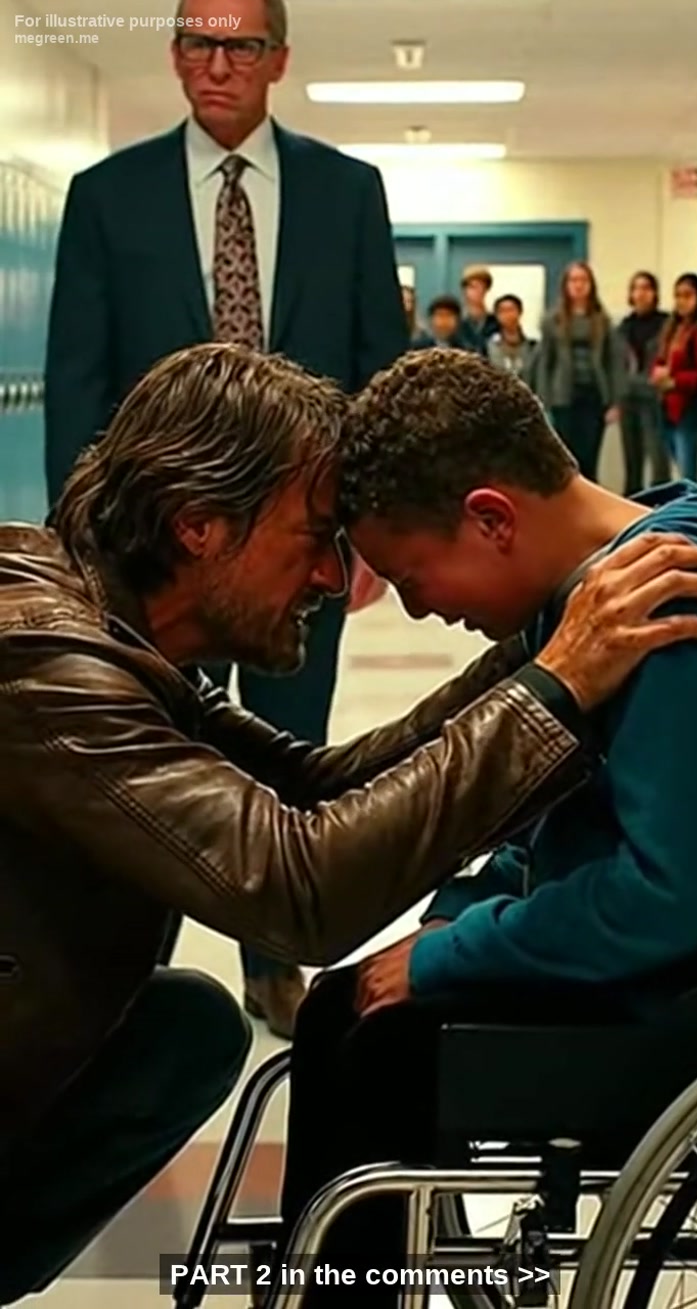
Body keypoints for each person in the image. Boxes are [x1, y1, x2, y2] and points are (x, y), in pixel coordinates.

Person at [0, 342, 697, 1304]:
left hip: (667, 993)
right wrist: (551, 680)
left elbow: (315, 785)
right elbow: (298, 886)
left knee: (221, 1027)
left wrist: (542, 664)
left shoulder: (113, 635)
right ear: (200, 524)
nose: (336, 580)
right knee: (317, 1020)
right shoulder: (51, 667)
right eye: (314, 537)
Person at [274, 347, 697, 1305]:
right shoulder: (593, 591)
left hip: (684, 999)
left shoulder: (666, 603)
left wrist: (451, 955)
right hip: (639, 961)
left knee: (378, 1048)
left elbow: (672, 895)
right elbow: (548, 821)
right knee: (342, 1005)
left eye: (412, 575)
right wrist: (456, 916)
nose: (420, 608)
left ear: (491, 517)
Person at [43, 0, 408, 1035]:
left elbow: (378, 369)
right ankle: (126, 964)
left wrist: (369, 532)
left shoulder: (347, 192)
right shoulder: (108, 197)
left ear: (277, 60)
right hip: (158, 545)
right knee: (143, 753)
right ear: (174, 55)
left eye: (240, 45)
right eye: (198, 43)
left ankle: (274, 960)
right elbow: (76, 377)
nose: (218, 64)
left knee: (291, 740)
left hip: (302, 536)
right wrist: (82, 548)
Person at [534, 260, 627, 482]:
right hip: (563, 397)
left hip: (594, 396)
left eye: (583, 280)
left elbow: (614, 362)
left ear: (591, 285)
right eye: (573, 280)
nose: (578, 285)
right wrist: (543, 401)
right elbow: (545, 363)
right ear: (566, 285)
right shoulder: (552, 320)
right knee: (566, 458)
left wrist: (615, 402)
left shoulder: (602, 320)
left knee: (590, 457)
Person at [618, 271, 670, 495]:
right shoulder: (623, 327)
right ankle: (632, 503)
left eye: (646, 288)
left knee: (658, 457)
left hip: (654, 397)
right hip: (628, 396)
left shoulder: (666, 324)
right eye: (636, 288)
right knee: (632, 459)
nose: (641, 293)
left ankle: (663, 503)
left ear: (654, 293)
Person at [651, 273, 697, 482]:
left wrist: (675, 381)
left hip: (688, 408)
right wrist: (657, 372)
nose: (682, 301)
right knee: (679, 467)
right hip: (668, 408)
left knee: (688, 472)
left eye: (688, 295)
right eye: (678, 296)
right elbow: (660, 358)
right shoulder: (673, 328)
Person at [485, 293, 537, 383]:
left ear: (520, 312)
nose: (507, 315)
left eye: (511, 310)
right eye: (502, 311)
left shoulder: (532, 345)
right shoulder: (488, 345)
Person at [458, 264, 499, 353]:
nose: (477, 291)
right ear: (464, 290)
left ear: (486, 289)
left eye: (481, 286)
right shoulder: (456, 320)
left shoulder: (495, 321)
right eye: (472, 287)